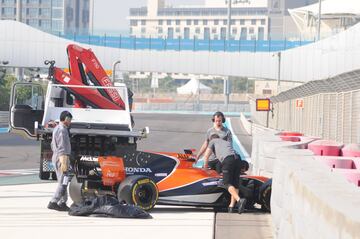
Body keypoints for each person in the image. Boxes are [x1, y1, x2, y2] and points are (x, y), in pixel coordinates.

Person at [203, 134, 247, 214]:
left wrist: (205, 170)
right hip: (238, 159)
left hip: (228, 160)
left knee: (226, 183)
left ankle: (239, 200)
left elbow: (206, 156)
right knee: (235, 184)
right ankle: (231, 207)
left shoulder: (212, 141)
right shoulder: (225, 142)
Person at [47, 110, 73, 211]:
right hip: (62, 157)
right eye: (70, 120)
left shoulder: (57, 128)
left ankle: (62, 202)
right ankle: (54, 201)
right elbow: (62, 146)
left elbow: (53, 145)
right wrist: (63, 160)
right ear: (66, 119)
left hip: (58, 156)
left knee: (64, 180)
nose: (70, 122)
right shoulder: (62, 130)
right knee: (63, 181)